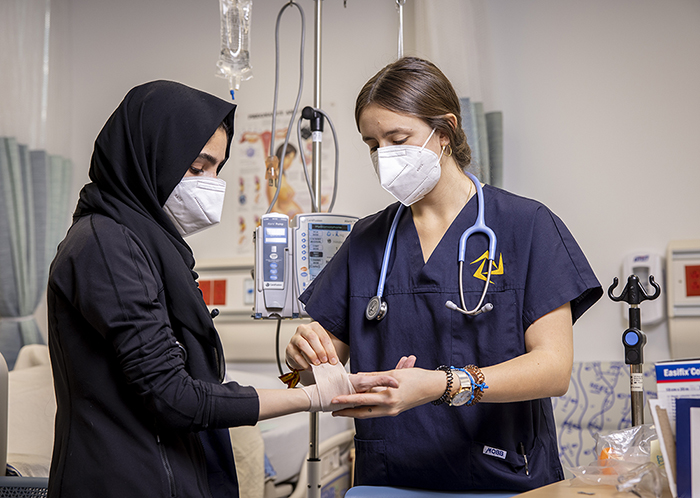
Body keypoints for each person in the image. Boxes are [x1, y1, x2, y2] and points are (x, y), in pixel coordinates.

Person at [46, 80, 396, 498]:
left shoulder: (152, 250)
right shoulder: (105, 246)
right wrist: (315, 397)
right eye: (197, 168)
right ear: (149, 156)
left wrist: (301, 381)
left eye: (217, 168)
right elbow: (174, 396)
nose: (211, 184)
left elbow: (186, 375)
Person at [286, 57, 603, 492]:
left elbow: (553, 369)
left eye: (398, 139)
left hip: (504, 476)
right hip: (390, 481)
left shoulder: (525, 226)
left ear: (446, 132)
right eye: (372, 145)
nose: (384, 157)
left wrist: (441, 384)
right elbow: (320, 373)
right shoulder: (366, 239)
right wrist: (303, 357)